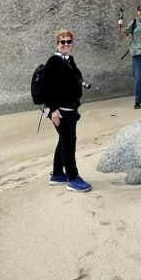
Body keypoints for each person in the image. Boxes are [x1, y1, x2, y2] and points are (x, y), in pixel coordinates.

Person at [44, 29, 92, 192]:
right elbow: (46, 88)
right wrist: (53, 110)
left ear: (72, 45)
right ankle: (73, 178)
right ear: (57, 44)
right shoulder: (53, 61)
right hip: (61, 110)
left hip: (70, 108)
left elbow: (74, 79)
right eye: (62, 42)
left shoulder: (69, 60)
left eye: (68, 42)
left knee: (63, 140)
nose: (65, 44)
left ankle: (57, 174)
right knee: (69, 143)